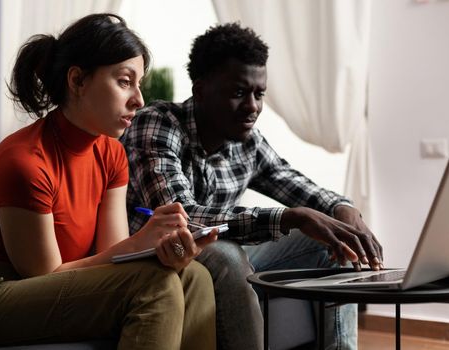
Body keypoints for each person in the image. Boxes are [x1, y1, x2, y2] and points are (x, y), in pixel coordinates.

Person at [0, 13, 217, 350]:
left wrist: (157, 247)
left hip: (50, 284)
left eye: (139, 83)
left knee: (195, 277)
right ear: (77, 81)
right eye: (124, 81)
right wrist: (138, 245)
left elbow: (110, 255)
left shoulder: (111, 154)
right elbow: (42, 275)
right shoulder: (24, 161)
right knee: (154, 286)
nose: (139, 99)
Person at [121, 22, 384, 350]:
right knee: (226, 254)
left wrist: (341, 208)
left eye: (259, 94)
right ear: (200, 90)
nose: (253, 107)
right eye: (238, 93)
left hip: (223, 254)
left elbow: (292, 181)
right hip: (164, 257)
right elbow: (181, 219)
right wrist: (289, 217)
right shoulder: (158, 124)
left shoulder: (247, 143)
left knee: (330, 239)